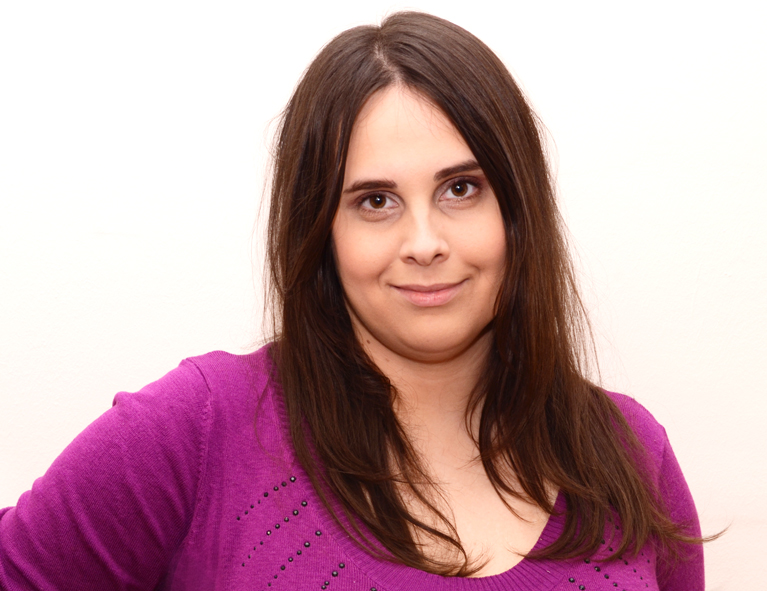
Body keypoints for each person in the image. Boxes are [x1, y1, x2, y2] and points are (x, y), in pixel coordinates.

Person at [0, 11, 705, 591]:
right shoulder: (196, 429)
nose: (423, 242)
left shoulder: (628, 451)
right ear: (322, 232)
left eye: (461, 188)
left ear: (517, 209)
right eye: (375, 201)